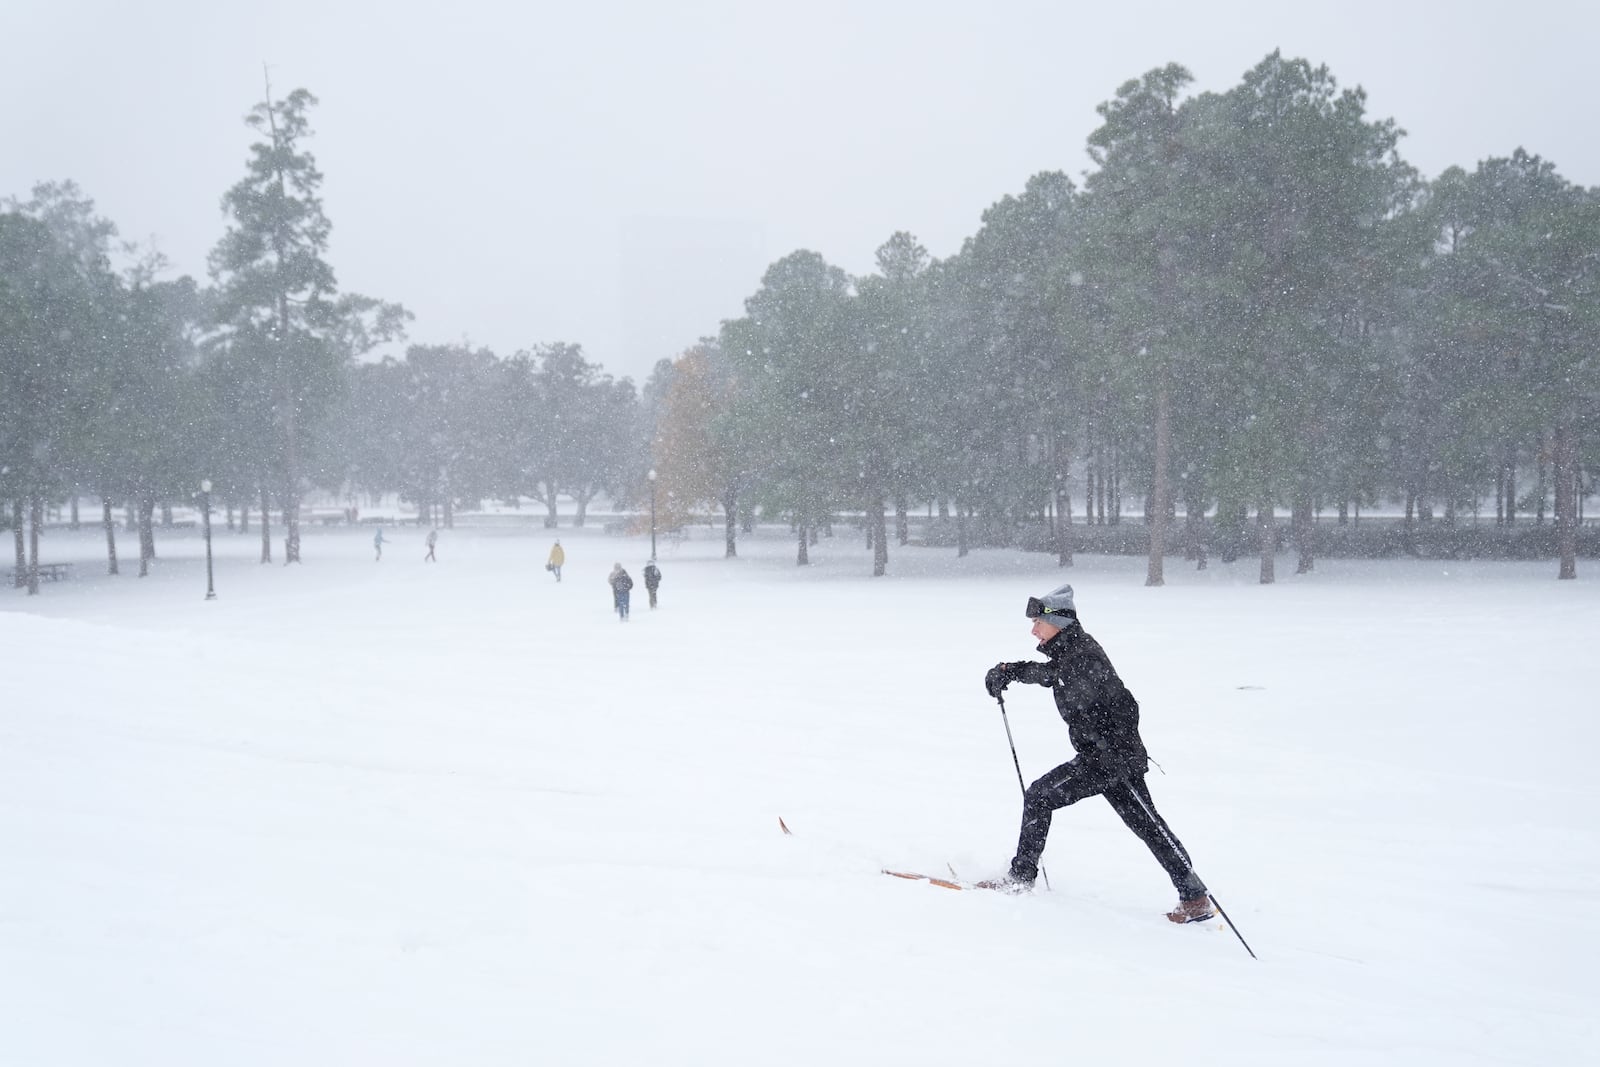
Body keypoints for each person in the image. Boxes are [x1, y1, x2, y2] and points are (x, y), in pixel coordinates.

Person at [982, 583, 1214, 923]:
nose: (1033, 630)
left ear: (1058, 623)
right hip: (1108, 757)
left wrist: (1108, 738)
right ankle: (1193, 896)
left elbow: (1114, 700)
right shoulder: (1070, 652)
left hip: (1108, 758)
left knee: (1041, 795)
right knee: (1147, 824)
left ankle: (1020, 877)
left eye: (1038, 623)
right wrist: (1010, 672)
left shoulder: (1082, 655)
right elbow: (1054, 676)